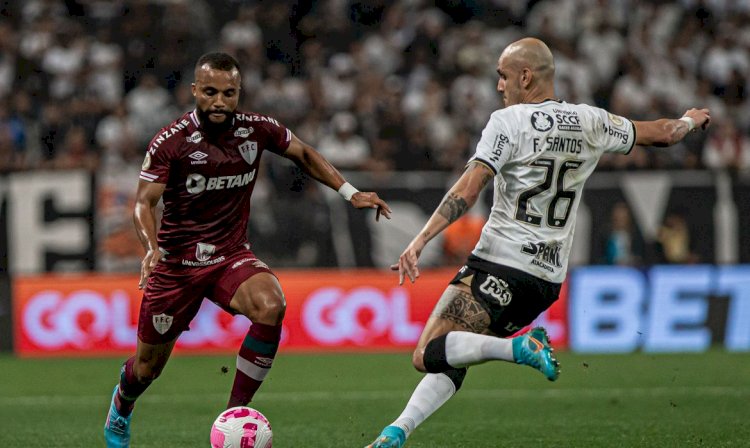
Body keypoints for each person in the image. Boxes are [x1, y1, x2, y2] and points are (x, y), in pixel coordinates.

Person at [365, 37, 710, 448]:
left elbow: (471, 187)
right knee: (458, 352)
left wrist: (420, 239)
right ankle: (395, 433)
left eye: (503, 76)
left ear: (525, 76)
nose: (499, 87)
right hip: (545, 283)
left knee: (428, 352)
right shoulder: (591, 121)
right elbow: (665, 134)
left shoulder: (507, 122)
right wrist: (689, 120)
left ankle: (519, 349)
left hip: (500, 263)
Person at [103, 52, 392, 448]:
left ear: (239, 92)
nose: (219, 102)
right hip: (176, 266)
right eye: (209, 92)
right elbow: (142, 203)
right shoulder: (171, 142)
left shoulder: (257, 129)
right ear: (194, 91)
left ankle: (234, 414)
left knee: (271, 305)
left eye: (229, 93)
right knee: (147, 368)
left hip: (229, 255)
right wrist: (150, 248)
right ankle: (122, 405)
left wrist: (351, 192)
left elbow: (304, 153)